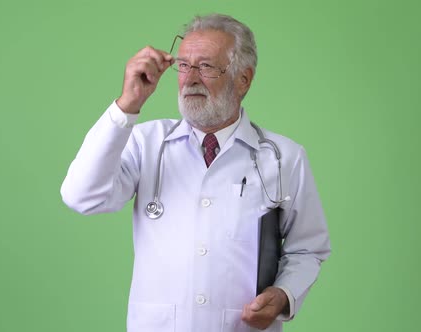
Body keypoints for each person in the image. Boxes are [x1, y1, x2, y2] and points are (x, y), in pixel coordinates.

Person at [60, 13, 330, 332]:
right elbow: (81, 197)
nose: (189, 79)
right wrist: (127, 105)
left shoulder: (284, 157)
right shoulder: (146, 141)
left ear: (244, 79)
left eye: (206, 66)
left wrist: (284, 294)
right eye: (184, 66)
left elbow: (308, 247)